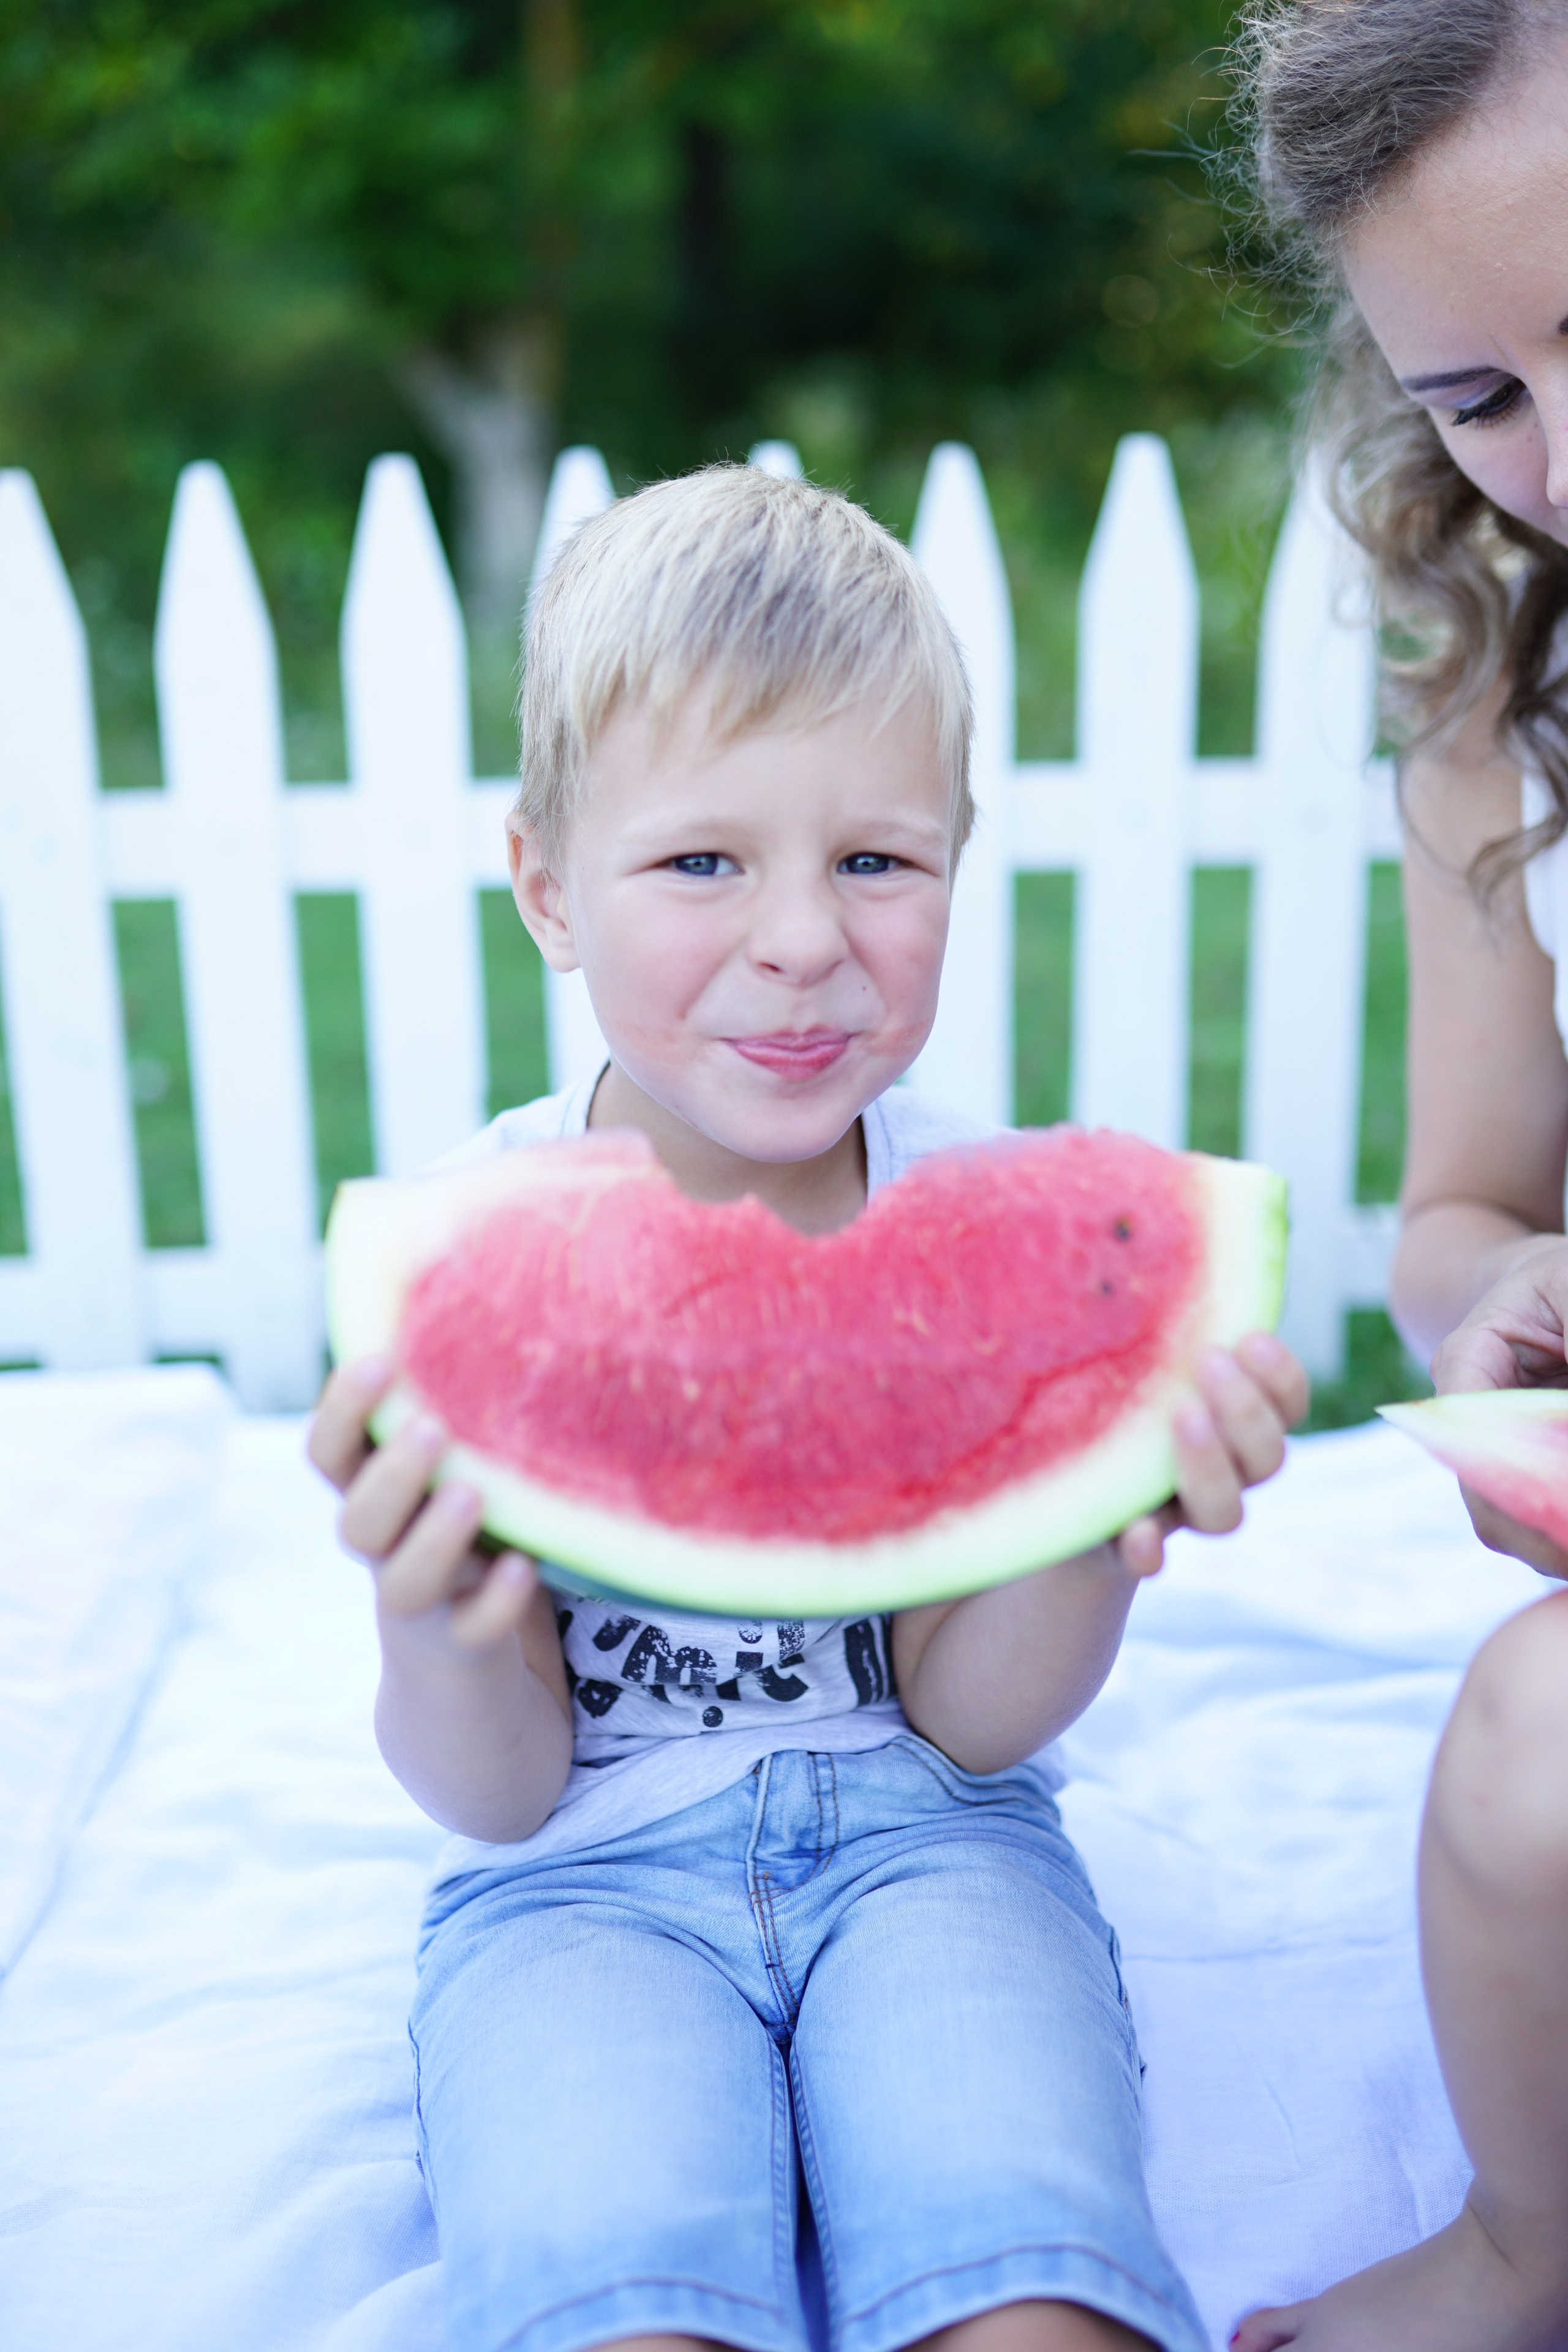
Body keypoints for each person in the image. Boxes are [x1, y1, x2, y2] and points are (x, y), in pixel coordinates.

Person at [309, 464, 1304, 2352]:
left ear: (955, 861)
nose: (799, 939)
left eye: (875, 859)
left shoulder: (987, 1223)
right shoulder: (462, 1255)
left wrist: (1094, 1517)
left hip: (941, 1844)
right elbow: (500, 1792)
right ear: (546, 886)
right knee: (615, 2303)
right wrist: (434, 1618)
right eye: (703, 862)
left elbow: (974, 1716)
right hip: (576, 1893)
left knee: (1031, 2285)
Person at [1224, 4, 1568, 2348]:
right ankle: (1535, 2250)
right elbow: (1457, 1198)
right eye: (1481, 401)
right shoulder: (1494, 722)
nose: (1564, 454)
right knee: (1529, 1774)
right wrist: (1502, 1300)